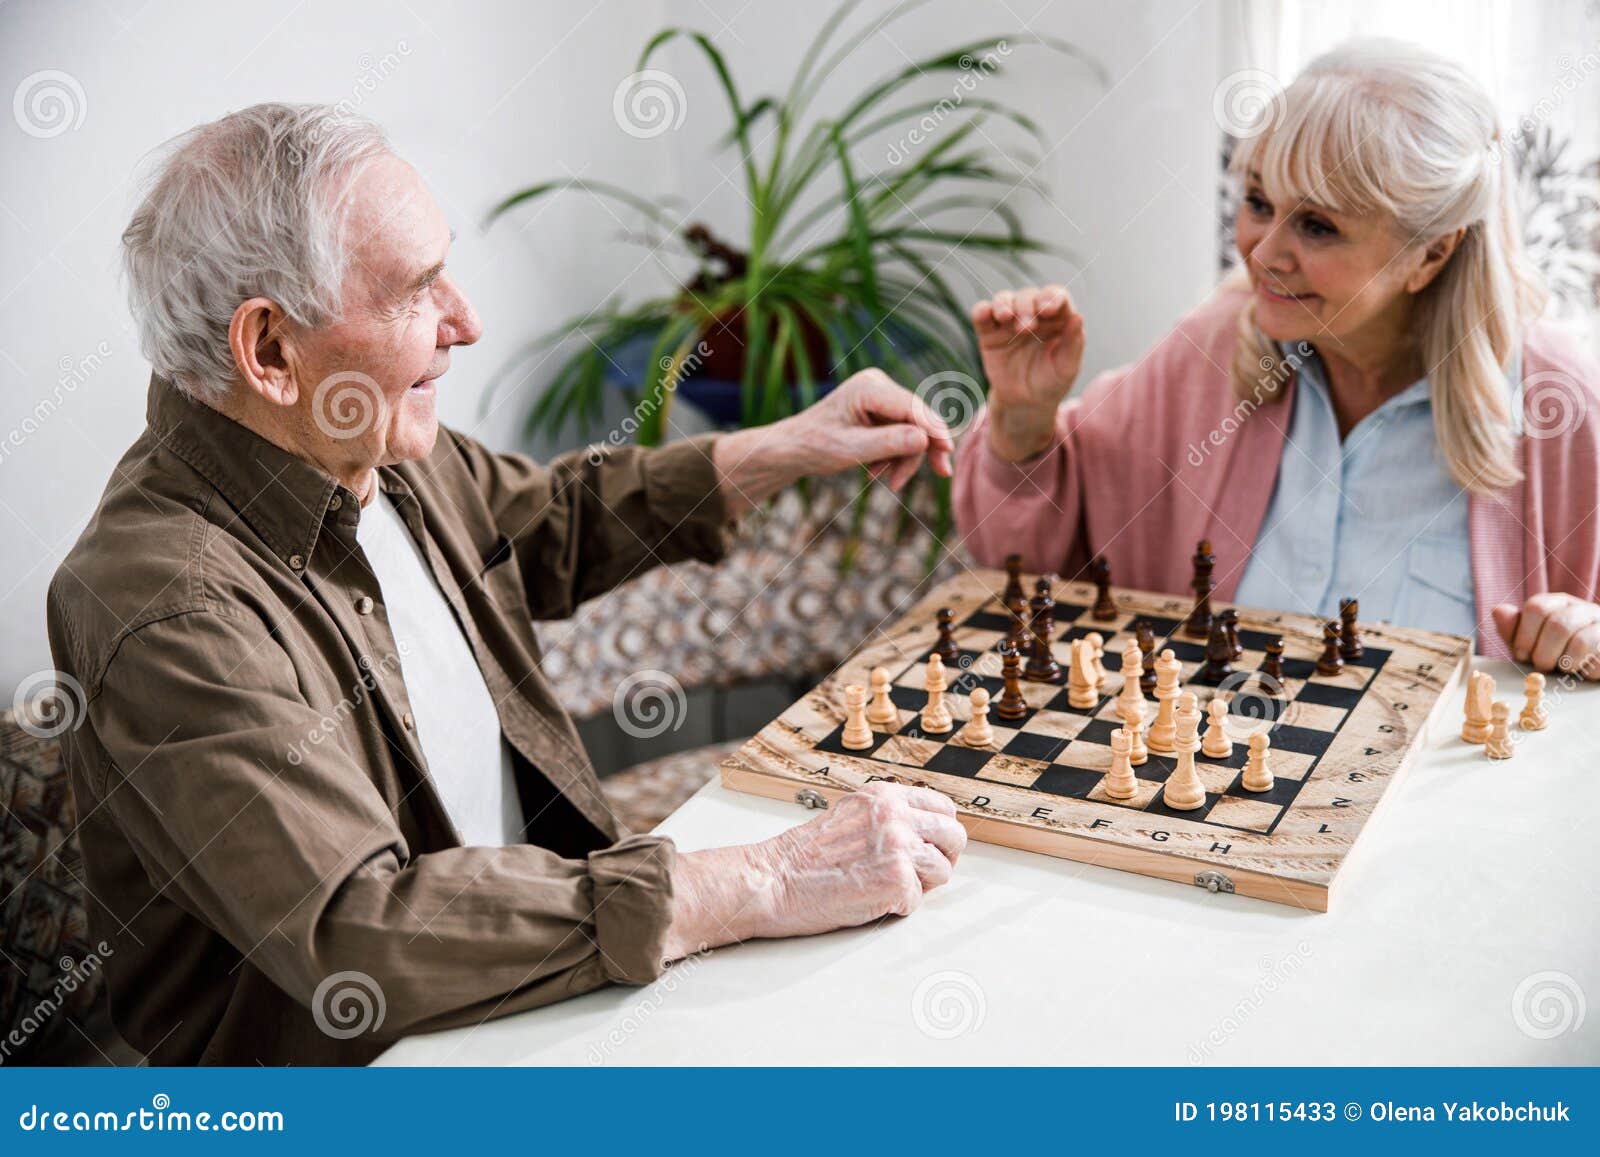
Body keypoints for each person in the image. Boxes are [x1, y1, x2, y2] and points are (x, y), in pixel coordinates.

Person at [47, 103, 967, 1065]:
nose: (468, 321)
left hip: (537, 996)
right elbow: (362, 928)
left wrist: (784, 447)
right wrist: (758, 882)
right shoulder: (163, 602)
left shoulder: (363, 440)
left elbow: (550, 521)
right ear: (271, 351)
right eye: (416, 289)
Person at [954, 39, 1600, 676]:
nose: (1263, 254)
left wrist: (1587, 638)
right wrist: (1023, 415)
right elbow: (1021, 563)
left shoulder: (1562, 406)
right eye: (1260, 203)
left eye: (1317, 225)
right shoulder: (1206, 352)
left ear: (1430, 253)